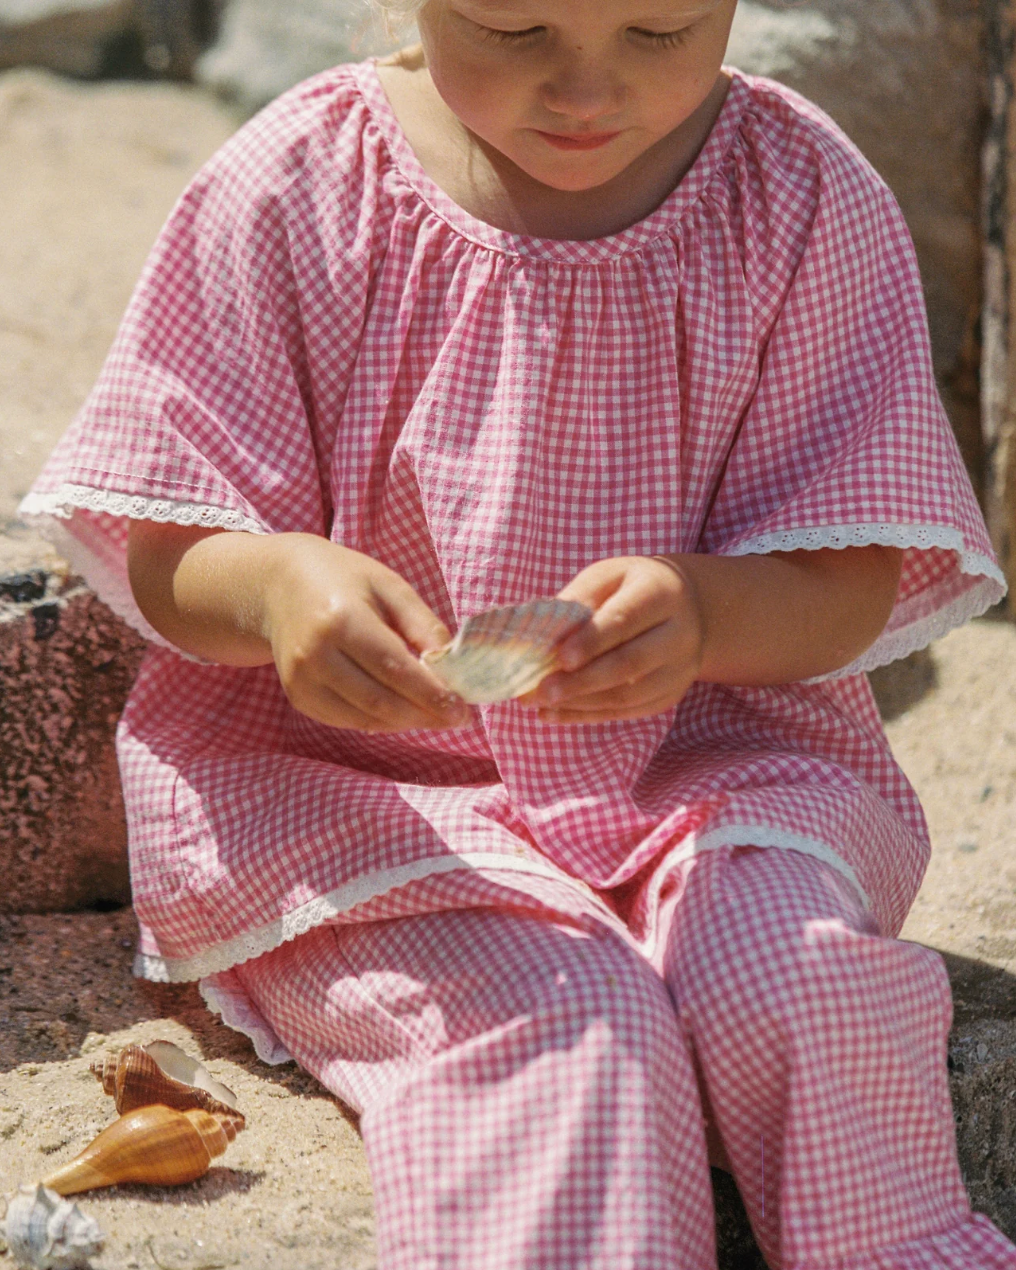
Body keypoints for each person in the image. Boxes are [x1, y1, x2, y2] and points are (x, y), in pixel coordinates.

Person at [20, 0, 1016, 1265]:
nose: (584, 92)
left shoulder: (797, 193)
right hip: (366, 799)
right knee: (571, 1026)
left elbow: (852, 575)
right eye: (511, 27)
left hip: (704, 772)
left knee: (805, 986)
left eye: (658, 33)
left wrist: (708, 614)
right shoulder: (298, 186)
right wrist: (277, 591)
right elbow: (161, 550)